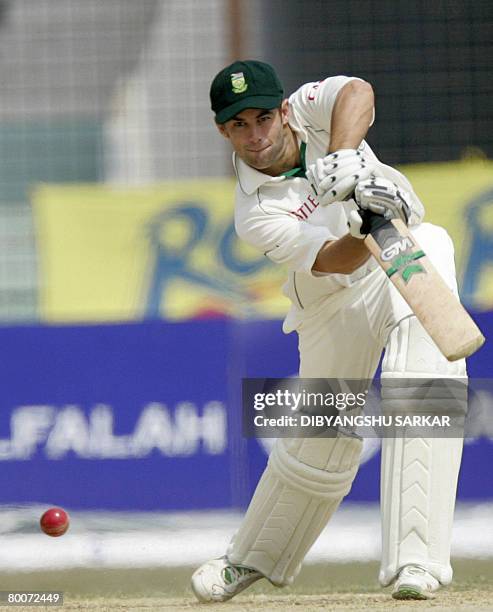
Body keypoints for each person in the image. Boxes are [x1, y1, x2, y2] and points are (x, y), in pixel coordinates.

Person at [191, 60, 467, 602]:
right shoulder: (254, 211)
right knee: (325, 432)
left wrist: (341, 156)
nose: (256, 135)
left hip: (403, 252)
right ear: (223, 130)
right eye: (239, 125)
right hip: (332, 298)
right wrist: (365, 223)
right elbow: (335, 262)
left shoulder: (314, 110)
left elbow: (358, 91)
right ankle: (252, 558)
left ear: (284, 111)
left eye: (263, 118)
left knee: (427, 363)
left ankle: (417, 560)